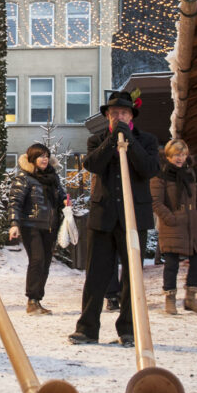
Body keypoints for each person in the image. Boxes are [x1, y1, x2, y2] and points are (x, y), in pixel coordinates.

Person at [69, 91, 159, 346]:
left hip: (134, 218)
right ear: (107, 117)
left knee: (133, 277)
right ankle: (87, 328)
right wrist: (112, 140)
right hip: (103, 217)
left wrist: (128, 139)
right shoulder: (96, 140)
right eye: (113, 114)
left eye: (123, 113)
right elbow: (93, 165)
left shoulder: (147, 140)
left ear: (131, 116)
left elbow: (149, 168)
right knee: (96, 275)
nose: (118, 117)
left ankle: (129, 330)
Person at [150, 139, 197, 315]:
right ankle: (170, 299)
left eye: (183, 154)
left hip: (193, 224)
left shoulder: (192, 172)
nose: (180, 158)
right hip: (173, 225)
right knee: (171, 263)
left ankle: (191, 298)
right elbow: (156, 201)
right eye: (177, 154)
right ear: (169, 156)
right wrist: (170, 218)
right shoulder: (160, 175)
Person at [8, 143, 68, 315]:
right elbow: (15, 202)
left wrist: (66, 201)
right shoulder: (24, 178)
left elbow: (61, 195)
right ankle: (32, 300)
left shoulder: (53, 178)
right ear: (32, 159)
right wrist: (14, 224)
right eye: (41, 156)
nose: (44, 159)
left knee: (46, 262)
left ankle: (37, 300)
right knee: (37, 259)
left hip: (50, 226)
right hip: (31, 225)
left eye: (46, 156)